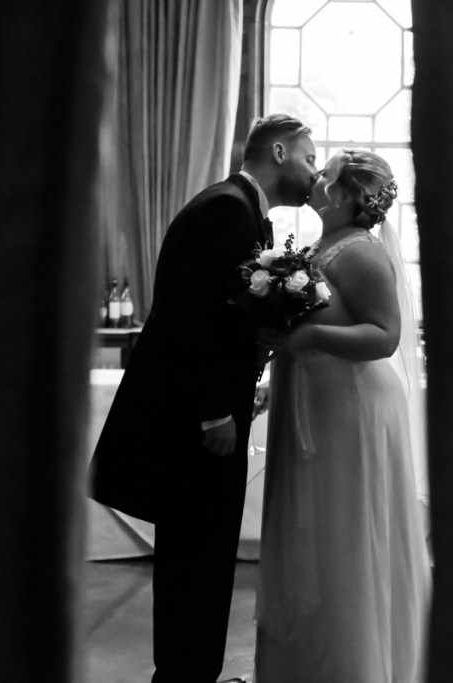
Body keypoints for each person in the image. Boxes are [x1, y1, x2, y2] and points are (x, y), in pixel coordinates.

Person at [89, 114, 317, 683]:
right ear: (281, 151)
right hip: (197, 423)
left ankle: (192, 672)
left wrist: (251, 370)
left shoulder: (242, 210)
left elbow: (228, 318)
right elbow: (193, 322)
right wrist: (216, 407)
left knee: (207, 553)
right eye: (311, 158)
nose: (314, 172)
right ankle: (184, 675)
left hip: (211, 410)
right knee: (197, 555)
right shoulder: (226, 211)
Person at [253, 149, 432, 682]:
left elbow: (385, 336)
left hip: (352, 412)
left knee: (344, 533)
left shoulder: (360, 252)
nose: (316, 177)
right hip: (316, 403)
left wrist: (309, 335)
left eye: (326, 173)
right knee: (312, 532)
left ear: (349, 195)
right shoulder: (318, 246)